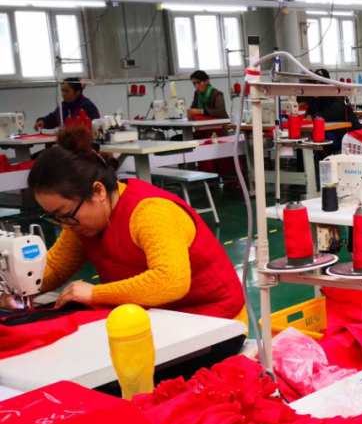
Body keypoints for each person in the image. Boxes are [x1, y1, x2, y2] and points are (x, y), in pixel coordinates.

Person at [21, 124, 244, 318]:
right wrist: (15, 289)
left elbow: (170, 280)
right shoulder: (79, 221)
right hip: (157, 316)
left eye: (66, 214)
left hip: (212, 318)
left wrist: (95, 293)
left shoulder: (150, 212)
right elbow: (55, 268)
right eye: (56, 217)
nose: (64, 225)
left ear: (98, 192)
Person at [304, 68, 361, 151]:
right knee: (307, 137)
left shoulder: (336, 94)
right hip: (332, 130)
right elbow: (310, 109)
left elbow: (334, 112)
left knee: (321, 139)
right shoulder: (317, 97)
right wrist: (308, 115)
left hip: (346, 134)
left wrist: (314, 117)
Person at [34, 77, 100, 131]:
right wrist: (43, 121)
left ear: (77, 92)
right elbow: (53, 118)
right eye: (62, 91)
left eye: (67, 91)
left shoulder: (88, 107)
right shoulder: (64, 106)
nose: (63, 94)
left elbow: (90, 128)